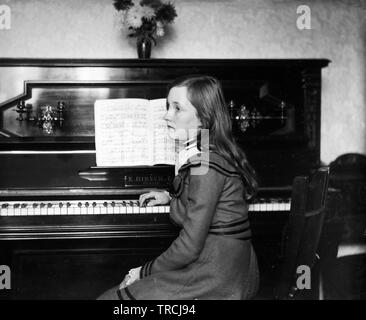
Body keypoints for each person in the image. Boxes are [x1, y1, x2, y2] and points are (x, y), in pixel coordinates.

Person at [97, 75, 259, 300]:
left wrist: (142, 271)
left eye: (177, 108)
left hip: (215, 274)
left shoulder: (206, 163)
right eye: (167, 107)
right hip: (227, 265)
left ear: (203, 117)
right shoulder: (207, 152)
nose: (166, 115)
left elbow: (190, 246)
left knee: (111, 299)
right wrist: (170, 197)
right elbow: (202, 199)